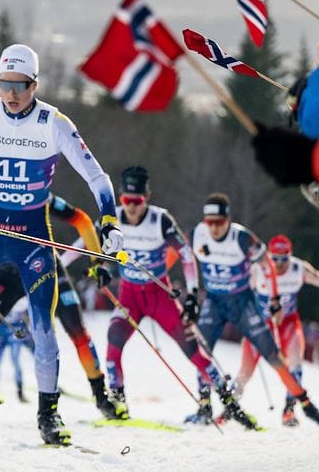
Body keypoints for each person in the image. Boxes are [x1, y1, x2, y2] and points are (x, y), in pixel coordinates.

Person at [0, 43, 123, 446]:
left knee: (44, 328)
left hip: (33, 239)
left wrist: (108, 220)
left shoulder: (54, 123)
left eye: (20, 85)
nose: (12, 94)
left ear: (35, 84)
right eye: (5, 84)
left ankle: (48, 414)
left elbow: (98, 178)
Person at [97, 166, 258, 426]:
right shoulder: (111, 219)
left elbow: (186, 255)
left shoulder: (160, 220)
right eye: (127, 200)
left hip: (159, 294)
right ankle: (117, 401)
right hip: (129, 295)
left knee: (192, 349)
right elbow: (96, 246)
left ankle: (228, 402)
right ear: (120, 197)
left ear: (146, 197)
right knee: (113, 339)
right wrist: (101, 268)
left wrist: (193, 294)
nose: (132, 207)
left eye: (137, 201)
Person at [0, 193, 125, 430]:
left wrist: (99, 263)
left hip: (43, 267)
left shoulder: (36, 192)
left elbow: (82, 220)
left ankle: (101, 398)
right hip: (7, 273)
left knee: (76, 330)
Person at [187, 193, 319, 427]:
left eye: (219, 222)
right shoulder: (197, 234)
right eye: (210, 222)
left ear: (228, 219)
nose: (214, 228)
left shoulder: (243, 238)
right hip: (214, 301)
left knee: (272, 354)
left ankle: (305, 404)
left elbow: (268, 265)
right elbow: (182, 256)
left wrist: (274, 298)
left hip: (242, 302)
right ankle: (205, 406)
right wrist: (191, 291)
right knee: (201, 350)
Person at [235, 234, 319, 425]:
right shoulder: (258, 270)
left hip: (288, 322)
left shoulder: (298, 269)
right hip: (262, 325)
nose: (279, 264)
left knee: (295, 362)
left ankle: (289, 410)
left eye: (284, 258)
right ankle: (229, 408)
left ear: (290, 255)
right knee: (245, 372)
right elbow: (239, 290)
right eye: (275, 258)